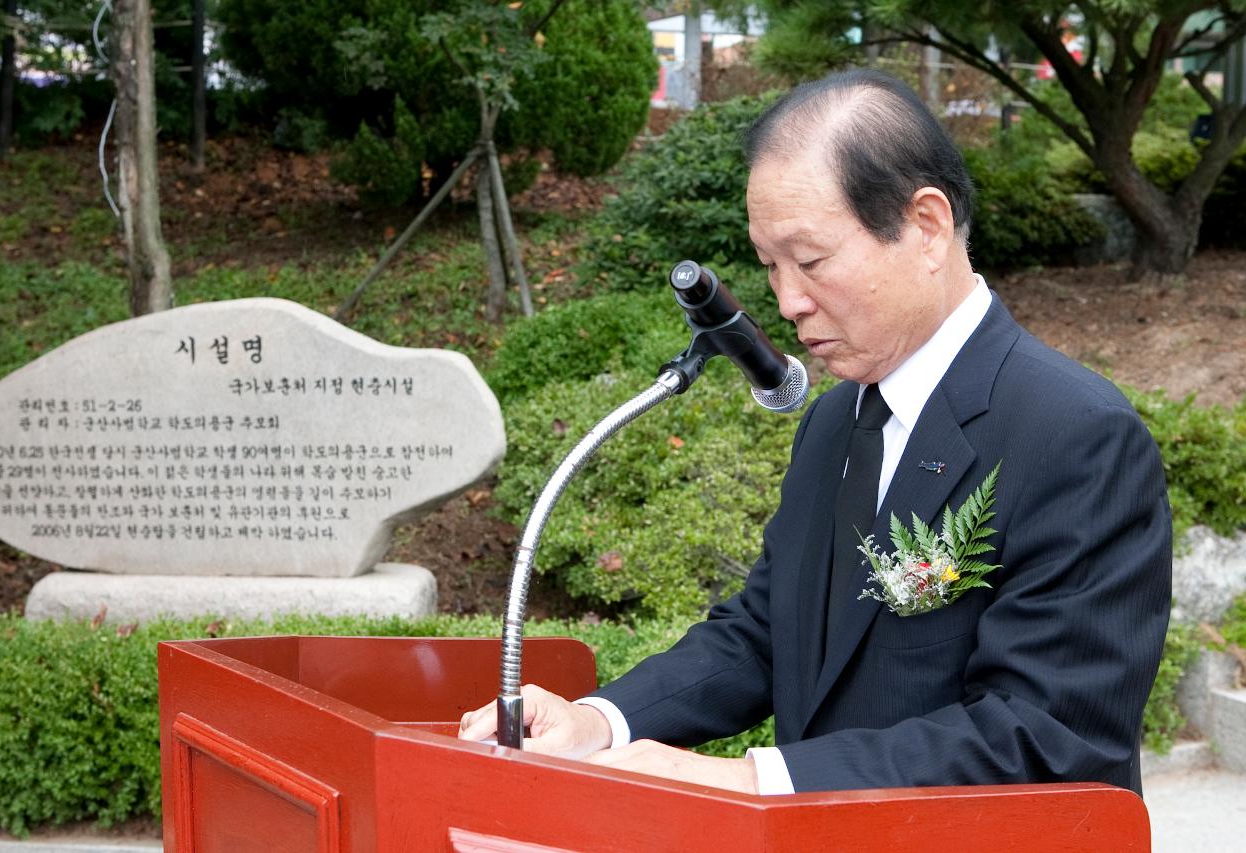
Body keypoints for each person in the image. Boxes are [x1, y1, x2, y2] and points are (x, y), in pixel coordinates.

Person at [459, 68, 1172, 796]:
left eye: (810, 260)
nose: (789, 301)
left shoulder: (1076, 436)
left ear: (925, 226)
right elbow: (767, 631)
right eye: (769, 265)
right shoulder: (837, 418)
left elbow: (1043, 734)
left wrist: (753, 776)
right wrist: (601, 720)